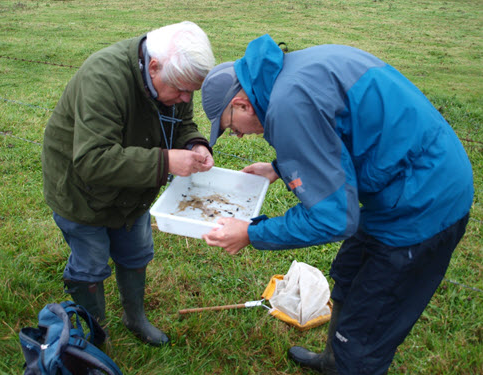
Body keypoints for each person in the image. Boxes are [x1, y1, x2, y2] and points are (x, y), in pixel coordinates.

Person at [201, 34, 473, 374]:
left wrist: (251, 233)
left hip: (423, 202)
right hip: (404, 181)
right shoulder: (287, 74)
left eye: (231, 128)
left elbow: (333, 219)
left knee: (365, 333)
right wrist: (278, 169)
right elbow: (336, 137)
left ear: (242, 103)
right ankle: (333, 360)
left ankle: (349, 360)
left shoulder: (288, 106)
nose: (239, 135)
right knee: (348, 274)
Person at [41, 21, 215, 347]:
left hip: (134, 188)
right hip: (82, 192)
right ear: (153, 66)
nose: (185, 98)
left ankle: (135, 317)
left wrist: (194, 144)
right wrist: (165, 161)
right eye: (181, 89)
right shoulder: (103, 79)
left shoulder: (173, 77)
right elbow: (93, 160)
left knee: (136, 252)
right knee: (91, 263)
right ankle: (96, 337)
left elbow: (182, 122)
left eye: (192, 91)